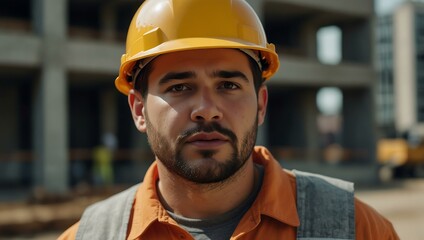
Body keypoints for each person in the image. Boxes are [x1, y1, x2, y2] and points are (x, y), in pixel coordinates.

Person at [59, 0, 399, 239]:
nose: (207, 109)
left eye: (228, 85)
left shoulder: (358, 230)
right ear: (138, 109)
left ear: (261, 104)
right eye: (179, 86)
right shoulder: (90, 236)